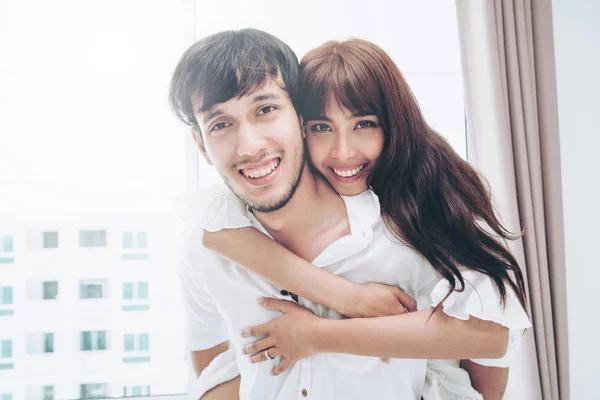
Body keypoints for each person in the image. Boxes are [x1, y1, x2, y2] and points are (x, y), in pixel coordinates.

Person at [170, 29, 530, 400]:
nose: (250, 145)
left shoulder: (408, 225)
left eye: (265, 110)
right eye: (221, 124)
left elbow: (490, 341)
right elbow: (212, 366)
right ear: (201, 144)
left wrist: (317, 335)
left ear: (295, 116)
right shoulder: (209, 242)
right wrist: (347, 298)